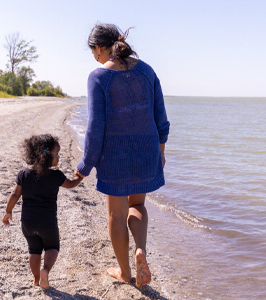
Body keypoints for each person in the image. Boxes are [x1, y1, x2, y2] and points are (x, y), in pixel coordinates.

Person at [76, 23, 170, 287]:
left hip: (115, 157)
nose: (94, 57)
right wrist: (160, 152)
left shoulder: (98, 77)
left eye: (94, 51)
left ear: (100, 48)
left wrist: (84, 166)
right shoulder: (147, 71)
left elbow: (95, 129)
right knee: (137, 205)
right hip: (146, 151)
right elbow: (160, 118)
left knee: (116, 214)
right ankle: (140, 248)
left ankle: (125, 272)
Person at [3, 134, 83, 289]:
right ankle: (45, 270)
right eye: (57, 154)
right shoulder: (56, 176)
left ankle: (36, 279)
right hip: (47, 223)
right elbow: (71, 184)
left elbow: (14, 194)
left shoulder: (24, 174)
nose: (58, 157)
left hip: (27, 222)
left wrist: (8, 211)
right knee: (52, 247)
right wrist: (79, 177)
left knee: (34, 250)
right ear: (46, 157)